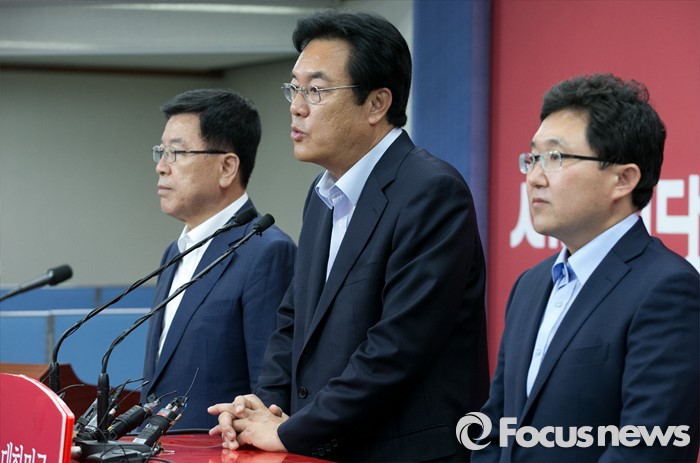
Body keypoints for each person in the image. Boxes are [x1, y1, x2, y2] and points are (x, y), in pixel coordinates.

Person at [207, 9, 489, 462]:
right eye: (294, 89)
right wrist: (261, 410)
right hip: (321, 449)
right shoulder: (322, 197)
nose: (297, 106)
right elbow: (292, 324)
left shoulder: (431, 191)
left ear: (376, 104)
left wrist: (292, 430)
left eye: (316, 90)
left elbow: (396, 348)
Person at [472, 74, 700, 462]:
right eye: (533, 158)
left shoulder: (667, 288)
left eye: (556, 158)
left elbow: (648, 447)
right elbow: (496, 427)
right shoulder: (530, 285)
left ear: (623, 179)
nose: (534, 178)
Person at [141, 89, 297, 430]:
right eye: (161, 152)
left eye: (176, 152)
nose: (161, 167)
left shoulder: (266, 251)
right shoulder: (175, 251)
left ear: (227, 167)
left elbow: (269, 397)